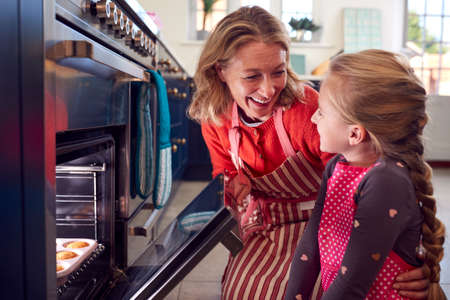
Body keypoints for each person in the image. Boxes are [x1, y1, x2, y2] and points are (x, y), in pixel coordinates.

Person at [188, 6, 430, 299]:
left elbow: (364, 180)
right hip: (264, 226)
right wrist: (231, 184)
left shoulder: (307, 109)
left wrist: (411, 250)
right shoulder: (215, 117)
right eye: (252, 77)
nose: (268, 89)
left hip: (327, 227)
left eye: (278, 72)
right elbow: (223, 174)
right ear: (221, 71)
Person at [284, 49, 446, 300]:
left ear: (355, 134)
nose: (314, 118)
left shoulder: (386, 182)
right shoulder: (337, 166)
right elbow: (310, 248)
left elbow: (352, 283)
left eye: (322, 112)